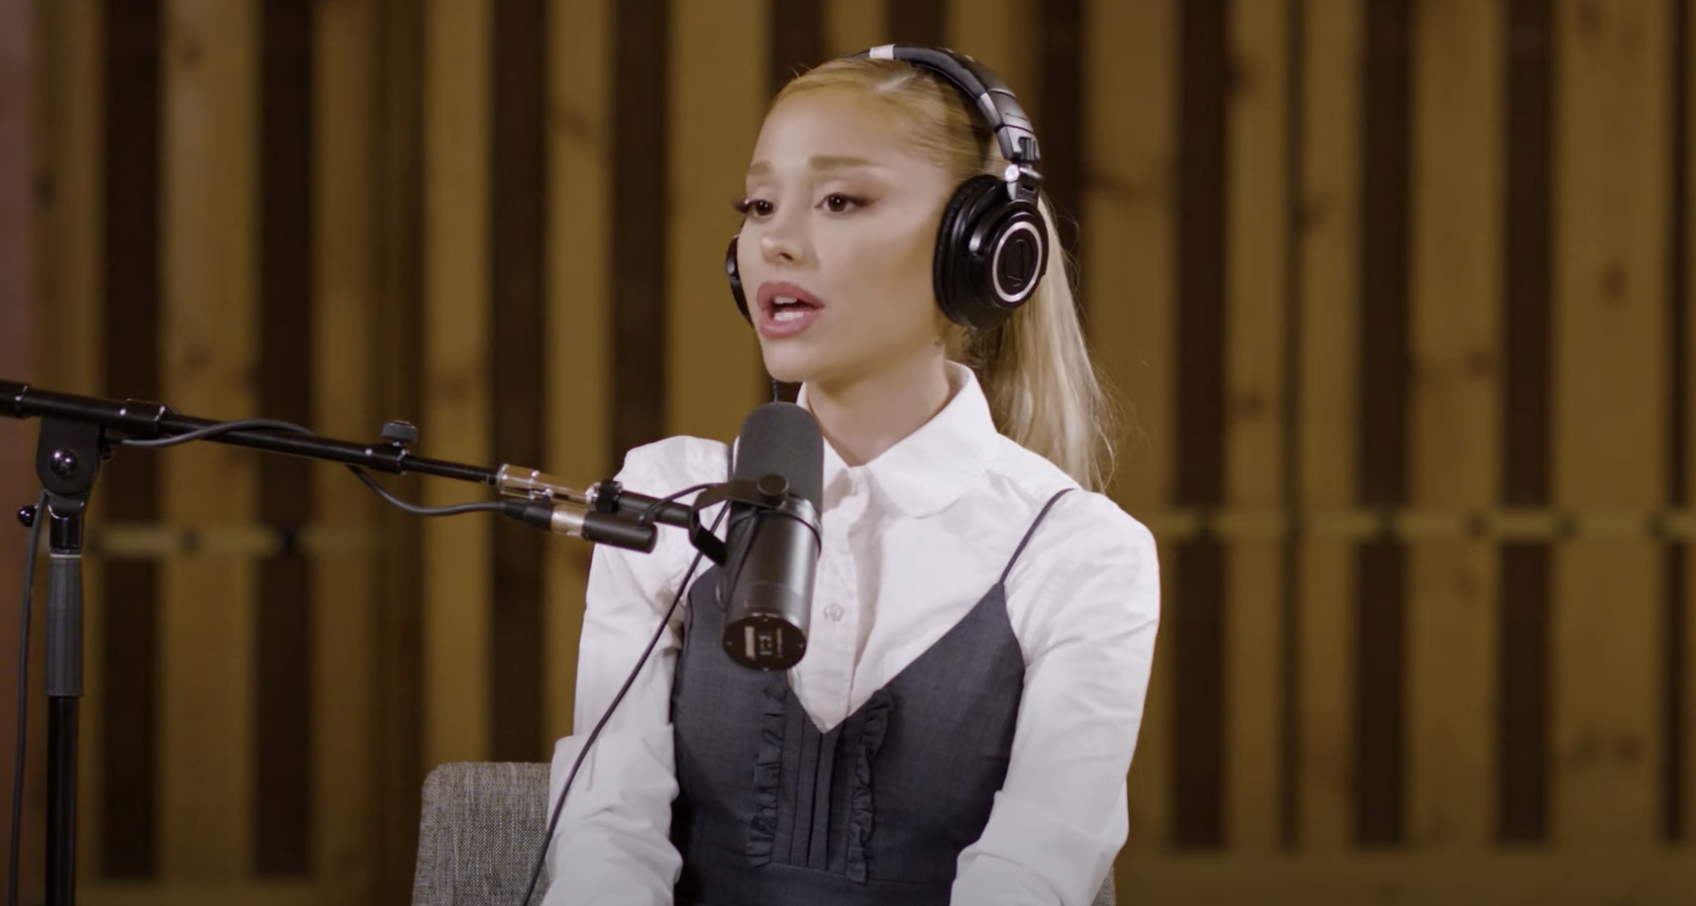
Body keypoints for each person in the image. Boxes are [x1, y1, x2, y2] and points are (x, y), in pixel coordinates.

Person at [542, 45, 1160, 906]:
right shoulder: (669, 498)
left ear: (979, 247)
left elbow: (1038, 867)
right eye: (759, 204)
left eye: (840, 200)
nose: (776, 241)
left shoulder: (1082, 554)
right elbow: (608, 838)